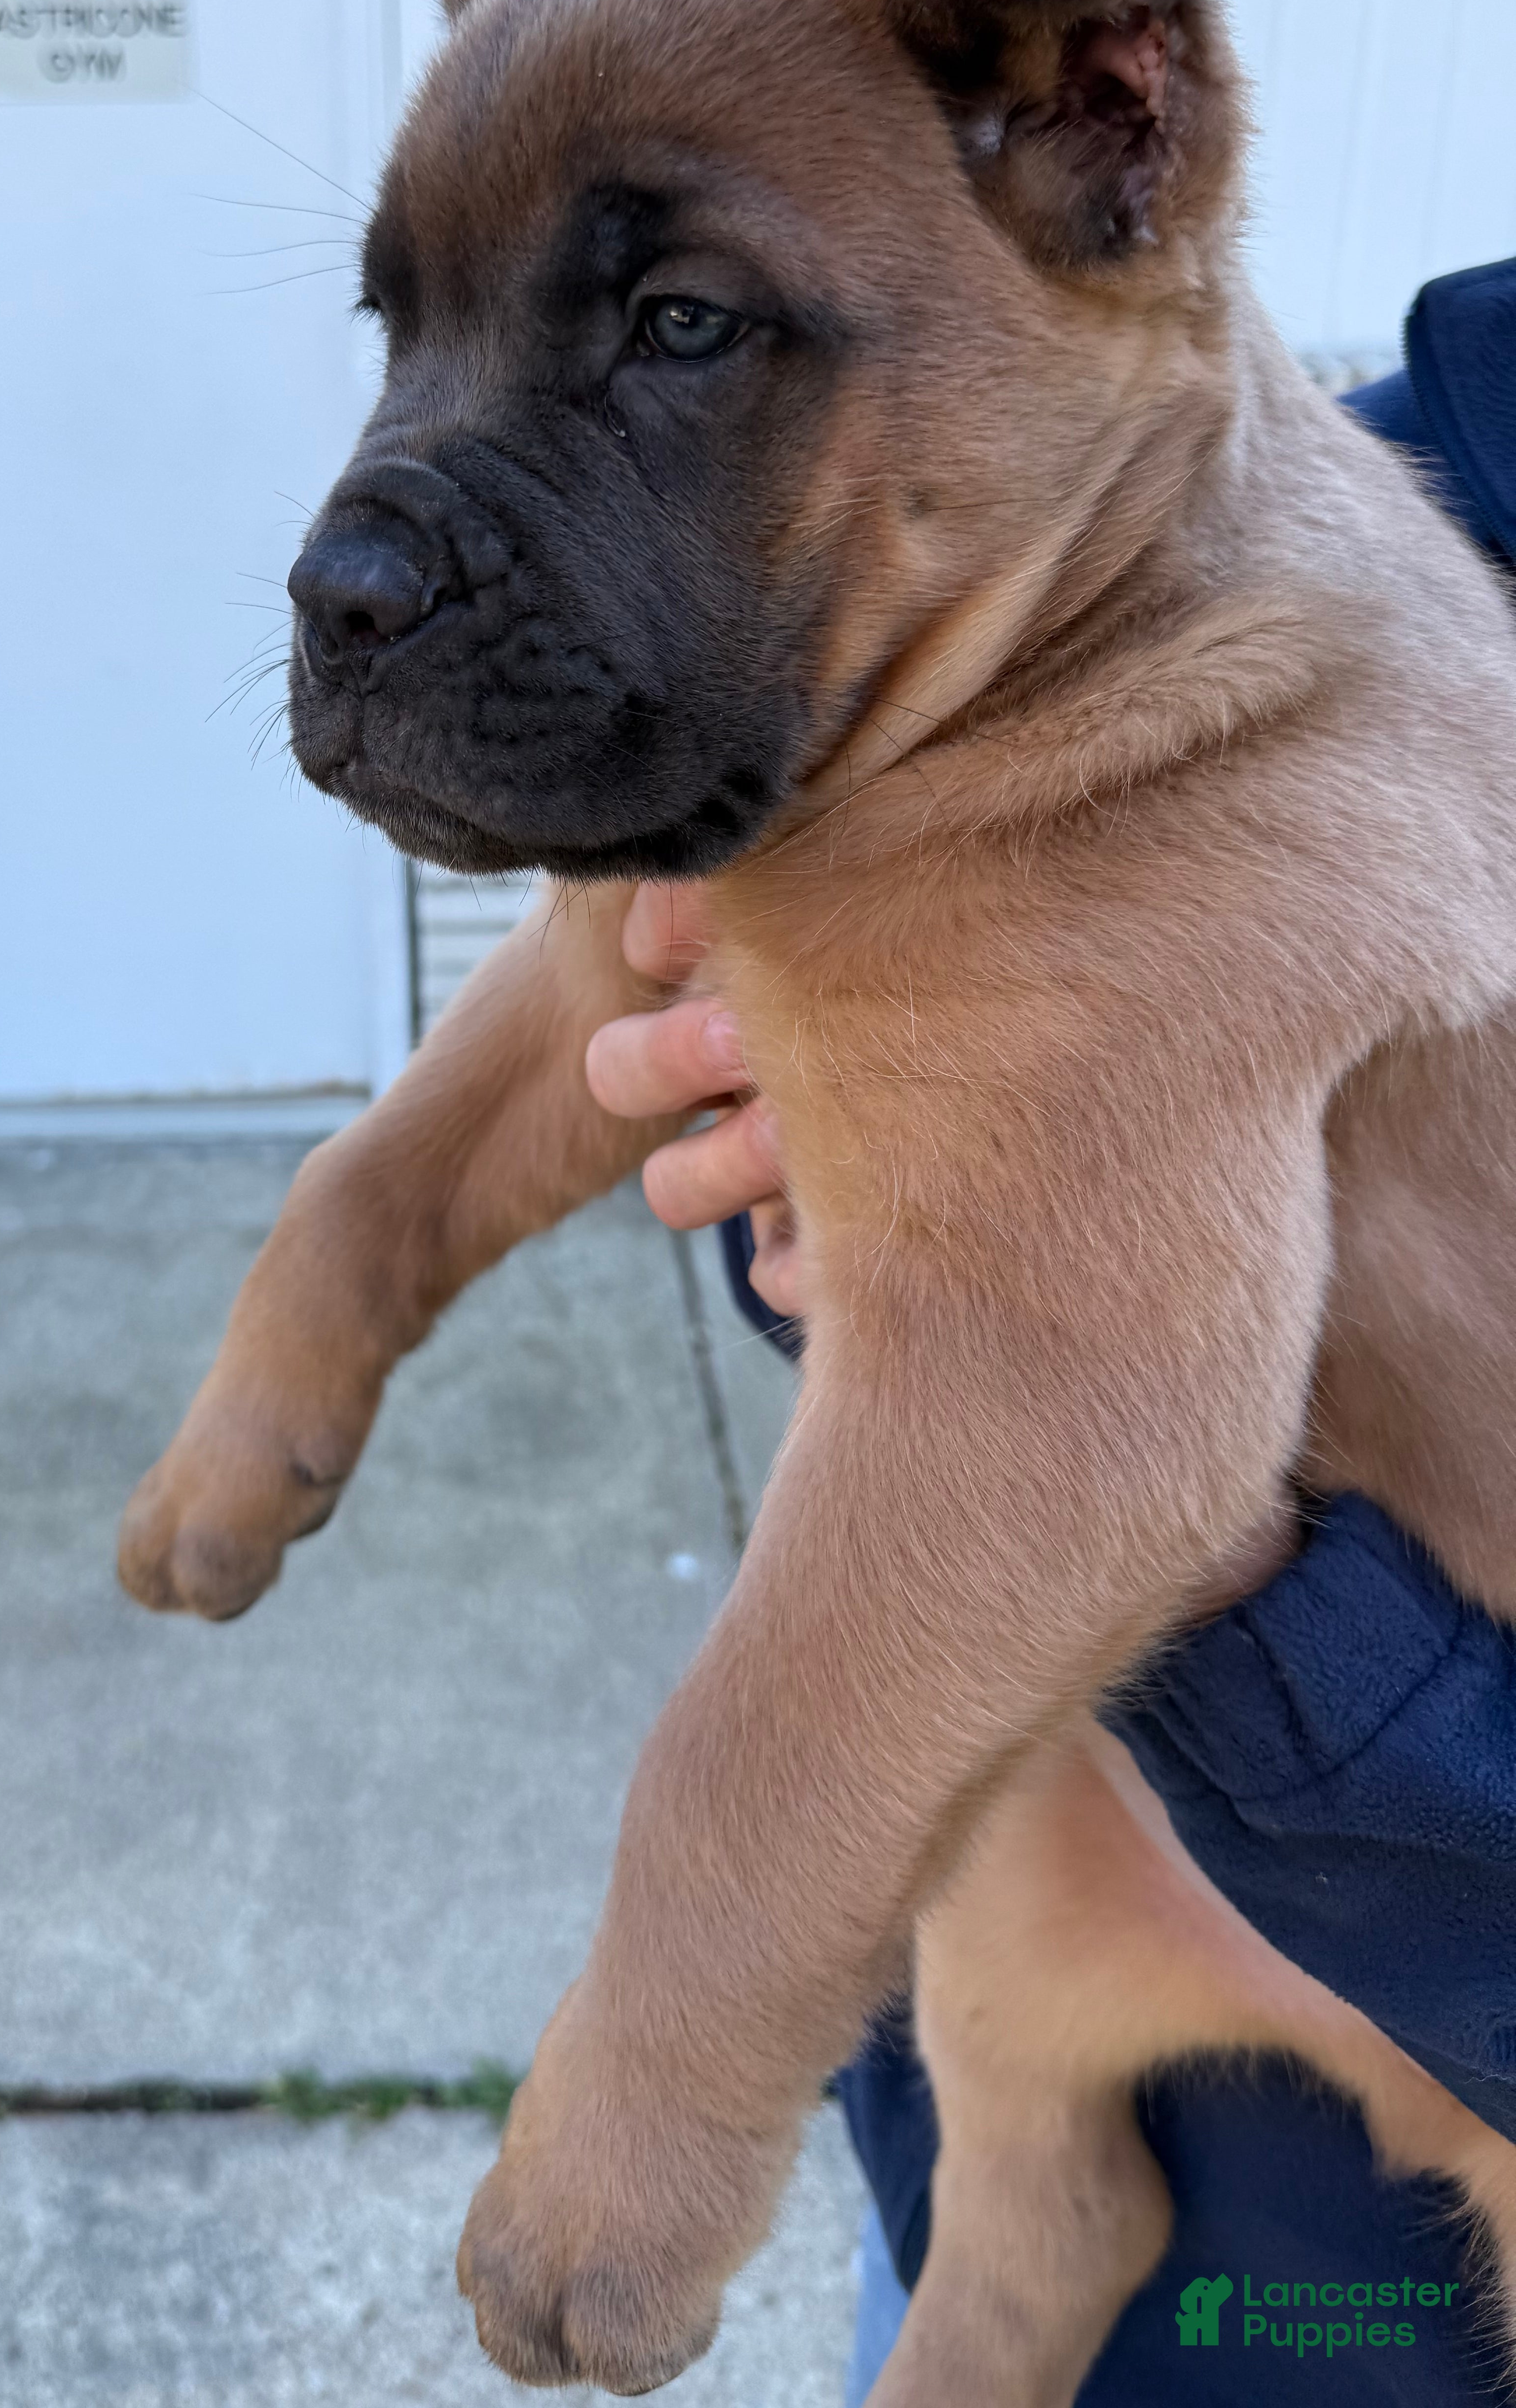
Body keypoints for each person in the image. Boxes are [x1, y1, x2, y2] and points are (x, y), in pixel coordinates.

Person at [580, 261, 1516, 2403]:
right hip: (1062, 2040)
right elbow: (815, 1195)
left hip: (1377, 2259)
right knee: (1002, 2226)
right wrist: (829, 1165)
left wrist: (1330, 1667)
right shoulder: (1336, 477)